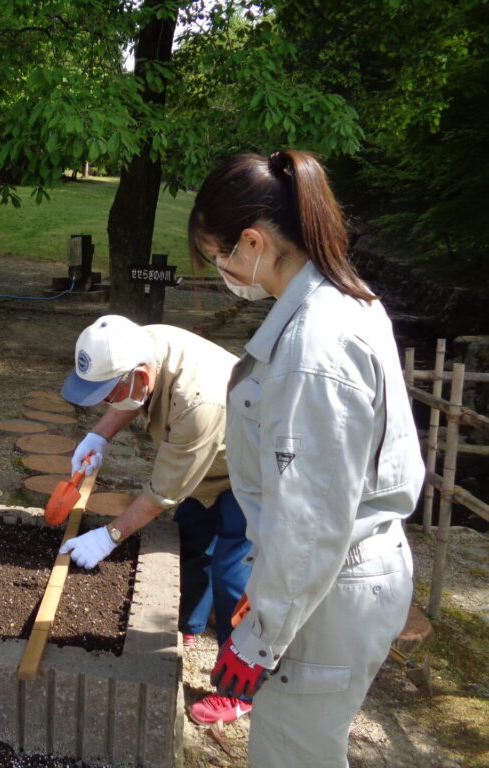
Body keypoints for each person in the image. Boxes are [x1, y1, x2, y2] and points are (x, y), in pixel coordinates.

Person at [188, 149, 423, 768]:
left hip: (333, 587)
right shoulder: (341, 303)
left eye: (219, 255)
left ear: (252, 242)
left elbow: (313, 517)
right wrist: (267, 594)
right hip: (334, 577)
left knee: (292, 755)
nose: (223, 270)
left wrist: (261, 636)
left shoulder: (313, 347)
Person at [58, 315, 254, 725]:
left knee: (234, 570)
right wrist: (99, 435)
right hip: (211, 461)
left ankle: (239, 689)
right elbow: (131, 396)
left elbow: (163, 492)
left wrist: (109, 536)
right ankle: (188, 626)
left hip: (255, 472)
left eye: (107, 394)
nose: (105, 403)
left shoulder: (198, 402)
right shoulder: (143, 342)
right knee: (193, 540)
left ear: (139, 376)